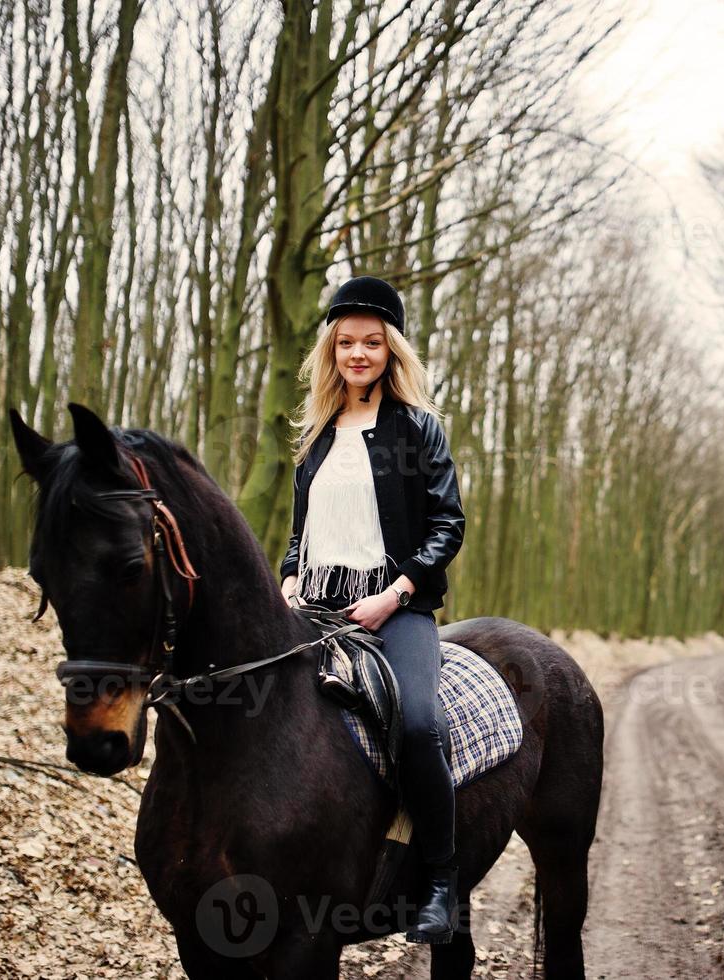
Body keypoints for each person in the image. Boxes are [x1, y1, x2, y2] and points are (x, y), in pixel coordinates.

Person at [279, 275, 466, 943]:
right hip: (318, 610)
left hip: (395, 608)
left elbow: (448, 524)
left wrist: (397, 593)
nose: (357, 353)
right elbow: (304, 530)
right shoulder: (318, 434)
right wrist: (290, 575)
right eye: (346, 342)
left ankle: (439, 882)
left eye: (372, 342)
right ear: (331, 349)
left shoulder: (418, 430)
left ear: (392, 351)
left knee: (417, 724)